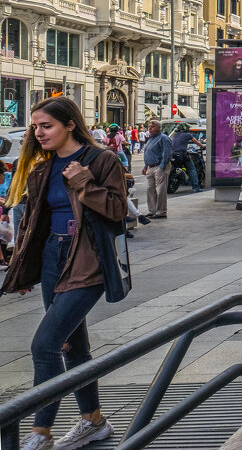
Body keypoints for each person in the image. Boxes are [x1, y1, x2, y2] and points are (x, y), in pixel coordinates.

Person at [2, 97, 127, 450]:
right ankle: (94, 421)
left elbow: (118, 211)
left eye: (47, 126)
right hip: (52, 258)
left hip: (87, 262)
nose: (39, 133)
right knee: (73, 345)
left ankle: (40, 432)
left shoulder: (101, 160)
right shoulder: (42, 168)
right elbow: (32, 224)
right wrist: (23, 269)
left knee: (45, 346)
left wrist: (84, 182)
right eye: (35, 127)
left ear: (70, 124)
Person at [140, 119, 172, 219]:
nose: (150, 128)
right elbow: (147, 153)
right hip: (150, 167)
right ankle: (152, 210)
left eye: (153, 126)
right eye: (149, 126)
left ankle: (161, 211)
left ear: (159, 128)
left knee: (161, 190)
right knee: (150, 189)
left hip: (159, 166)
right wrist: (145, 166)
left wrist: (161, 167)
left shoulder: (163, 138)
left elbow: (166, 154)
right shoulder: (150, 139)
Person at [170, 126, 199, 194]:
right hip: (182, 155)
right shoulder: (187, 135)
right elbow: (196, 141)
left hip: (173, 155)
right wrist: (202, 146)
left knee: (173, 168)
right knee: (192, 169)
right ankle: (196, 187)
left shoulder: (174, 135)